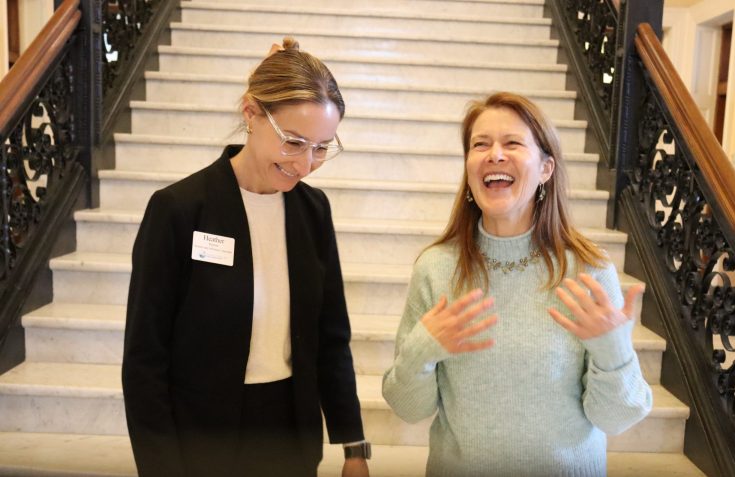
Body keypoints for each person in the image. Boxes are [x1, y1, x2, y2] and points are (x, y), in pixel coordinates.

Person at [122, 38, 370, 477]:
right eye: (294, 142)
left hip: (290, 434)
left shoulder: (313, 212)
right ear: (251, 113)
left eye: (322, 146)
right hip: (201, 438)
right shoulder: (179, 210)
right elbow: (145, 360)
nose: (307, 164)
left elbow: (331, 336)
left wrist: (354, 447)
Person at [382, 92, 652, 476]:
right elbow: (408, 408)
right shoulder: (436, 268)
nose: (494, 154)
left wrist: (613, 352)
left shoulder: (588, 271)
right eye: (480, 145)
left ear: (546, 168)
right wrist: (421, 352)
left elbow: (617, 418)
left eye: (512, 143)